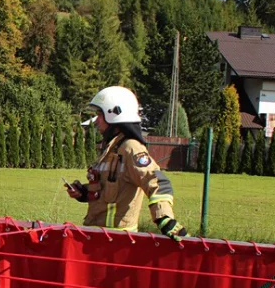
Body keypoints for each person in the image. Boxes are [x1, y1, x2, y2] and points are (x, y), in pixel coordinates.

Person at [66, 86, 188, 241]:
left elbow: (156, 180)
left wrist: (164, 218)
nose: (96, 121)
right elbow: (108, 187)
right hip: (96, 236)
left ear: (114, 115)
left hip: (118, 241)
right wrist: (83, 192)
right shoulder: (110, 149)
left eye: (99, 114)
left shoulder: (131, 149)